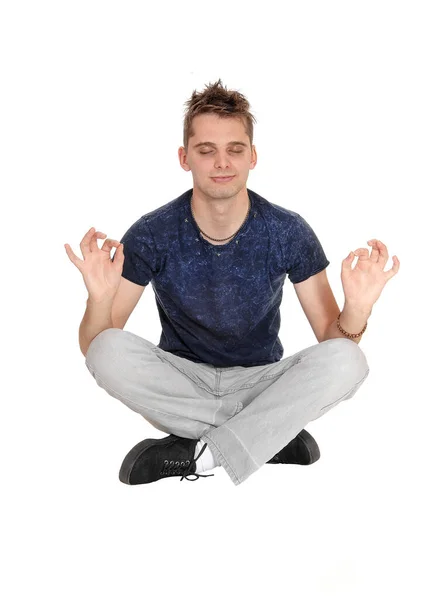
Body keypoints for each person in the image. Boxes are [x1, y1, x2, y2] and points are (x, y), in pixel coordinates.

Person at [65, 78, 399, 487]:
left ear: (252, 156)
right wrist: (98, 299)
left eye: (234, 149)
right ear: (185, 157)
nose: (221, 162)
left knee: (350, 360)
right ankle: (264, 436)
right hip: (182, 381)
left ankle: (202, 454)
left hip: (260, 382)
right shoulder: (152, 233)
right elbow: (96, 345)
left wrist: (358, 308)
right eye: (207, 151)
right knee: (107, 351)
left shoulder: (288, 231)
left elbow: (333, 340)